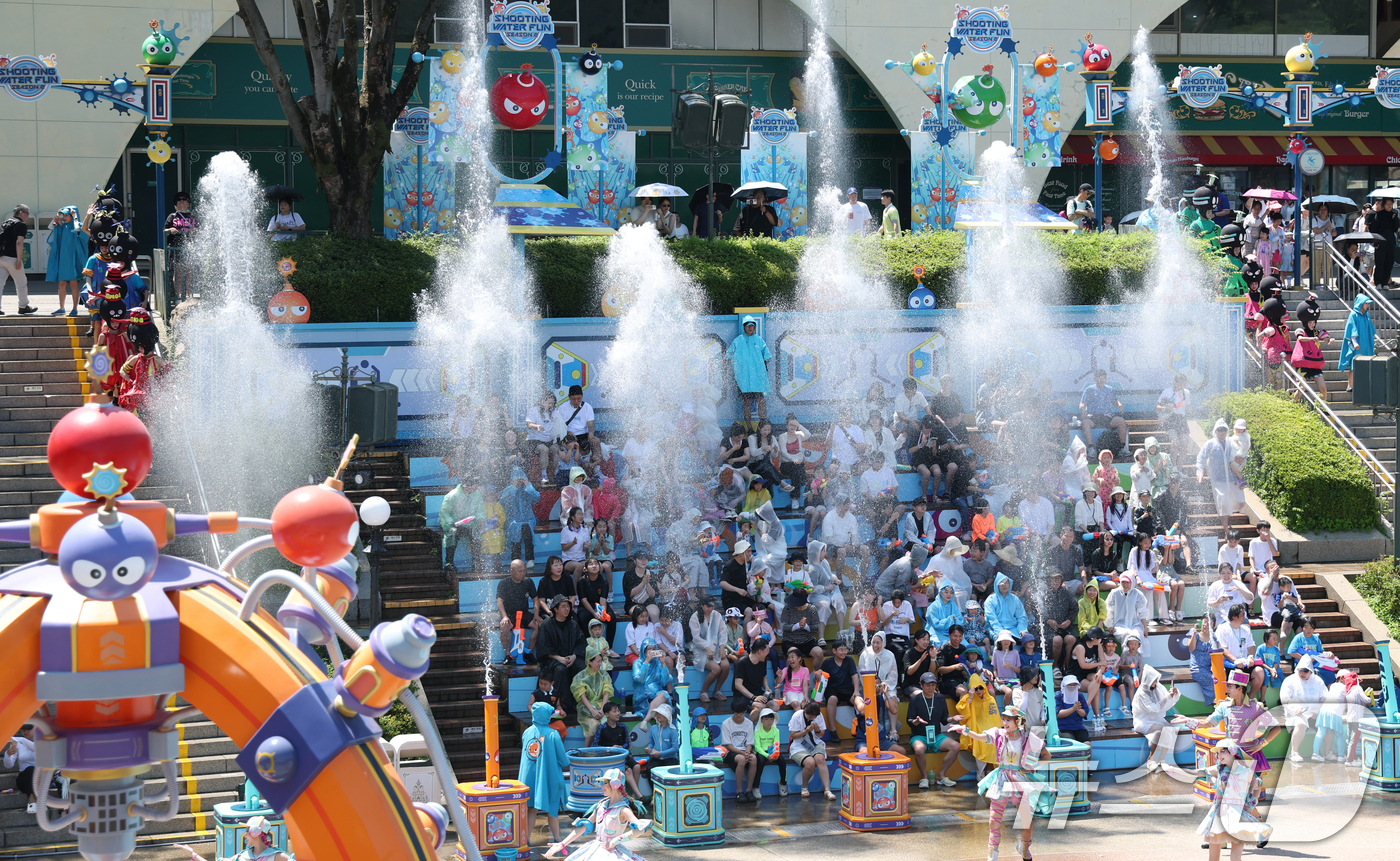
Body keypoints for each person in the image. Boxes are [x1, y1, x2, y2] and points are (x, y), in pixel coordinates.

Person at [952, 704, 1050, 861]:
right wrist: (967, 731)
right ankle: (992, 855)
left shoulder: (1029, 739)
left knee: (1026, 820)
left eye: (1009, 720)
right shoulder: (999, 734)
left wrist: (1032, 768)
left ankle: (1024, 847)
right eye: (1004, 719)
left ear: (1018, 721)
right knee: (994, 819)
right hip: (1002, 778)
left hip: (1020, 779)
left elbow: (1046, 755)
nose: (1005, 723)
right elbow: (982, 737)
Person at [1194, 739, 1273, 861]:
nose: (1218, 756)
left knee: (1235, 859)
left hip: (1238, 813)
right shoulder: (1218, 769)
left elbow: (1257, 784)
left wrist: (1252, 802)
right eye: (1217, 753)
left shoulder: (1246, 770)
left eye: (1222, 751)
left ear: (1233, 752)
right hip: (1219, 814)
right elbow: (1194, 773)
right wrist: (1170, 770)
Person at [908, 672, 964, 789]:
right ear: (921, 685)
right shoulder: (915, 699)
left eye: (933, 685)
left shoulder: (940, 698)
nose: (931, 687)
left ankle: (941, 775)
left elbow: (944, 719)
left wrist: (952, 718)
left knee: (955, 746)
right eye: (928, 685)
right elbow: (909, 720)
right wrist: (916, 721)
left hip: (936, 735)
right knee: (919, 749)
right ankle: (924, 777)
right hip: (919, 735)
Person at [538, 596, 588, 710]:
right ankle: (559, 703)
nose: (567, 609)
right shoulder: (546, 625)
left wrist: (574, 656)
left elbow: (581, 643)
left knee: (582, 667)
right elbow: (543, 647)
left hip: (571, 657)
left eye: (568, 606)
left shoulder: (573, 624)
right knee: (561, 670)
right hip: (552, 659)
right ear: (555, 609)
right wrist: (559, 658)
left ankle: (580, 702)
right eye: (563, 606)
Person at [1133, 664, 1183, 773]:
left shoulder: (1158, 687)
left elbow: (1168, 699)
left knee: (1170, 729)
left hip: (1157, 719)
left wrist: (1173, 693)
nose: (1155, 683)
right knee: (1159, 732)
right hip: (1143, 721)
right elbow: (1153, 709)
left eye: (1156, 680)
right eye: (1153, 681)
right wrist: (1167, 697)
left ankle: (1162, 758)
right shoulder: (1141, 694)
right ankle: (1150, 760)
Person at [175, 815, 290, 861]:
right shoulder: (242, 857)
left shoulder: (276, 856)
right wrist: (193, 854)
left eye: (247, 831)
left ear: (256, 832)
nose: (245, 835)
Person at [726, 315, 772, 427]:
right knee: (746, 402)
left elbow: (767, 356)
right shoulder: (737, 341)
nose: (750, 328)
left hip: (757, 378)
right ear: (744, 327)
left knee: (761, 400)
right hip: (744, 378)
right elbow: (728, 356)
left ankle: (763, 426)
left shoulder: (759, 340)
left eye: (752, 326)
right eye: (748, 326)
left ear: (755, 327)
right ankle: (749, 427)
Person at [1281, 655, 1328, 764]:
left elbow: (1325, 698)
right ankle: (1294, 752)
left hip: (1314, 713)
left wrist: (1316, 711)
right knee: (1301, 722)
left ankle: (1327, 752)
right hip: (1295, 713)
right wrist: (1295, 708)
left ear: (1311, 671)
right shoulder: (1290, 680)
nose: (1302, 673)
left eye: (1305, 671)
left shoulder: (1318, 680)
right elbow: (1285, 698)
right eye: (1300, 670)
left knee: (1329, 724)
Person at [956, 674, 1002, 780]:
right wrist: (971, 697)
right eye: (975, 688)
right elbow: (963, 712)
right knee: (980, 742)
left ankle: (990, 774)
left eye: (980, 687)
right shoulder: (968, 698)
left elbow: (995, 717)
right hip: (975, 728)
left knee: (993, 742)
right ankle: (981, 772)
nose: (979, 690)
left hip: (990, 729)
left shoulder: (990, 699)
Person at [44, 205, 87, 316]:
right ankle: (61, 308)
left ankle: (75, 308)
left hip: (73, 260)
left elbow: (80, 232)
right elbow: (50, 228)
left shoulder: (78, 225)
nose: (65, 217)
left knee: (73, 284)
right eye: (64, 215)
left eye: (67, 215)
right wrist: (57, 217)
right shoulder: (62, 226)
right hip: (63, 259)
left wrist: (76, 217)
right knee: (61, 284)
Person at [788, 702, 836, 799]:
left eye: (814, 716)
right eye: (810, 716)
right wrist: (806, 731)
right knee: (810, 763)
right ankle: (804, 787)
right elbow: (794, 735)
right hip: (799, 744)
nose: (812, 718)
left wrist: (818, 731)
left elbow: (821, 734)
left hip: (815, 743)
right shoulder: (797, 716)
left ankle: (827, 790)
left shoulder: (819, 716)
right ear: (805, 711)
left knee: (820, 759)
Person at [1080, 369, 1129, 455]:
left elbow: (1115, 401)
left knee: (1121, 421)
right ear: (1095, 379)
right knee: (1085, 423)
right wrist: (1083, 409)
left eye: (1103, 378)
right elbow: (1082, 403)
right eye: (1099, 378)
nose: (1101, 380)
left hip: (1107, 416)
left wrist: (1120, 405)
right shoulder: (1089, 389)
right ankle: (1091, 448)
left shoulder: (1109, 389)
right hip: (1093, 417)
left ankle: (1122, 448)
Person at [572, 645, 615, 742]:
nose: (600, 663)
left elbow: (606, 693)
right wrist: (592, 711)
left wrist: (603, 709)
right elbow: (582, 696)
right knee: (594, 724)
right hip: (586, 707)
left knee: (606, 722)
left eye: (601, 661)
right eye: (598, 661)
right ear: (589, 662)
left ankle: (607, 748)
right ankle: (586, 751)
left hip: (601, 704)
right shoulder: (580, 677)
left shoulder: (604, 674)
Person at [689, 596, 729, 702]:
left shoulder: (717, 615)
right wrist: (707, 648)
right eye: (708, 606)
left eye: (712, 606)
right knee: (716, 669)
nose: (711, 609)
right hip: (701, 650)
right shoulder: (695, 617)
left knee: (726, 665)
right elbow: (696, 638)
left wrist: (722, 647)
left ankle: (717, 691)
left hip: (716, 647)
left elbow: (723, 632)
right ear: (702, 605)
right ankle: (704, 691)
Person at [498, 559, 540, 655]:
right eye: (520, 571)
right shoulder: (504, 583)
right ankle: (508, 654)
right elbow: (499, 601)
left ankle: (530, 653)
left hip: (524, 613)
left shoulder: (528, 582)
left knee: (539, 625)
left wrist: (536, 615)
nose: (523, 573)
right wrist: (504, 616)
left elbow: (535, 599)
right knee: (504, 627)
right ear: (512, 571)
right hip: (510, 614)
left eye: (524, 570)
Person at [720, 700, 760, 801]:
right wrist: (742, 753)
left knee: (753, 758)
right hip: (730, 751)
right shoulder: (726, 723)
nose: (739, 715)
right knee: (742, 759)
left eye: (741, 713)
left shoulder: (749, 723)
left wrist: (747, 751)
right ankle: (739, 791)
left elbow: (749, 742)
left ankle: (749, 790)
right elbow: (728, 745)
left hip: (744, 750)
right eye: (737, 713)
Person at [0, 204, 36, 315]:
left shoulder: (5, 223)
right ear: (21, 213)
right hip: (12, 258)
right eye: (27, 213)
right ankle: (23, 306)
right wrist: (19, 260)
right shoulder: (21, 225)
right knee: (21, 282)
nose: (28, 216)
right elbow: (19, 242)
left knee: (0, 283)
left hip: (1, 257)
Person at [821, 638, 859, 742]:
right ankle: (833, 730)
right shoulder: (827, 662)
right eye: (841, 650)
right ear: (834, 651)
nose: (844, 652)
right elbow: (822, 678)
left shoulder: (849, 660)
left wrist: (856, 691)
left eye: (845, 650)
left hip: (847, 689)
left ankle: (861, 729)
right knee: (832, 699)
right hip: (833, 689)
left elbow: (855, 675)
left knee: (858, 701)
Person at [1106, 573, 1150, 659]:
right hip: (1119, 624)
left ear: (1132, 582)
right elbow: (1109, 610)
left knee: (1136, 635)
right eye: (1123, 582)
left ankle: (1137, 663)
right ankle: (1127, 662)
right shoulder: (1114, 593)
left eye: (1127, 582)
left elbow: (1142, 612)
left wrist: (1145, 627)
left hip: (1135, 624)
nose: (1125, 585)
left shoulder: (1138, 594)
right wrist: (1110, 625)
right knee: (1126, 634)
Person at [1365, 195, 1398, 287]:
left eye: (1391, 204)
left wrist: (1395, 218)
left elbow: (1395, 228)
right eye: (1387, 204)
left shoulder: (1393, 214)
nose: (1389, 206)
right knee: (1380, 261)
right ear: (1383, 204)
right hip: (1380, 238)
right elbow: (1374, 229)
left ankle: (1385, 282)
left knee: (1389, 261)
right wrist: (1375, 241)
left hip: (1390, 239)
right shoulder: (1378, 214)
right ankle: (1378, 282)